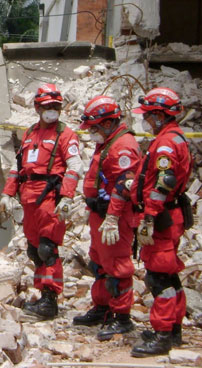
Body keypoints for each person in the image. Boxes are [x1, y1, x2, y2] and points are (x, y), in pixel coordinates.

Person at [0, 83, 83, 320]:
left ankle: (50, 300)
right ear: (37, 107)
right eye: (47, 106)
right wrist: (7, 193)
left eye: (56, 105)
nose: (52, 109)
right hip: (29, 197)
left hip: (50, 198)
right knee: (35, 250)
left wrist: (67, 196)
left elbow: (75, 166)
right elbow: (19, 168)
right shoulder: (30, 133)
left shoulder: (66, 134)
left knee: (48, 249)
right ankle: (42, 294)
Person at [129, 87, 192, 357]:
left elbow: (163, 183)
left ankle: (163, 334)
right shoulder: (171, 137)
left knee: (158, 277)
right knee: (169, 274)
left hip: (161, 218)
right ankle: (174, 329)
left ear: (158, 116)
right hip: (170, 215)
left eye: (148, 116)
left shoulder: (166, 143)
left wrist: (150, 217)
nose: (145, 120)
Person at [72, 96, 140, 341]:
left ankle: (122, 317)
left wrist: (112, 217)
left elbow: (124, 185)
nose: (92, 133)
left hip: (116, 218)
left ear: (109, 123)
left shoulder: (123, 146)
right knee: (99, 263)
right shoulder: (109, 143)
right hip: (100, 214)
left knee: (117, 266)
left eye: (95, 127)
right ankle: (102, 308)